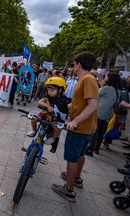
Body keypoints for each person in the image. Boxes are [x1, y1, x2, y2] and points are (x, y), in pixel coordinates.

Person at [52, 51, 98, 202]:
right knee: (80, 154)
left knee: (72, 158)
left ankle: (69, 189)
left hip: (80, 128)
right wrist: (66, 107)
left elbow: (92, 105)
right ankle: (76, 178)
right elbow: (82, 103)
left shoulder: (88, 79)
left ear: (79, 64)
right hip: (86, 128)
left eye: (74, 63)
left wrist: (75, 121)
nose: (73, 66)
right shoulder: (85, 79)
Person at [85, 71, 122, 156]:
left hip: (99, 111)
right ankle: (96, 148)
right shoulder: (118, 91)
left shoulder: (107, 88)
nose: (105, 78)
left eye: (106, 76)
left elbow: (96, 94)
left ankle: (90, 148)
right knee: (101, 131)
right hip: (108, 113)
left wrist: (101, 85)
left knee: (94, 130)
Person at [27, 77, 69, 146]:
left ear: (60, 90)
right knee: (33, 119)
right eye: (48, 90)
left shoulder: (63, 100)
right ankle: (34, 131)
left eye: (52, 90)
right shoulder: (47, 98)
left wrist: (55, 110)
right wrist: (48, 107)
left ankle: (52, 138)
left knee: (57, 128)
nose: (49, 92)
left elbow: (64, 112)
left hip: (55, 118)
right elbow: (40, 102)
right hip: (44, 114)